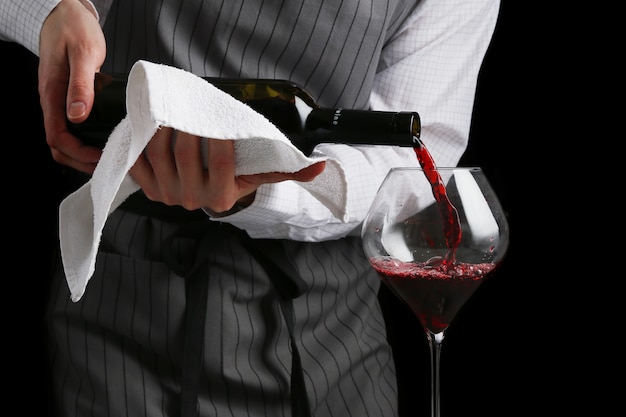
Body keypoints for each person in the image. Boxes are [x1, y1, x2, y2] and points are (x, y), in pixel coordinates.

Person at [0, 0, 500, 416]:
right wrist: (54, 11)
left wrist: (258, 188)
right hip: (128, 315)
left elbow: (406, 157)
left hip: (331, 334)